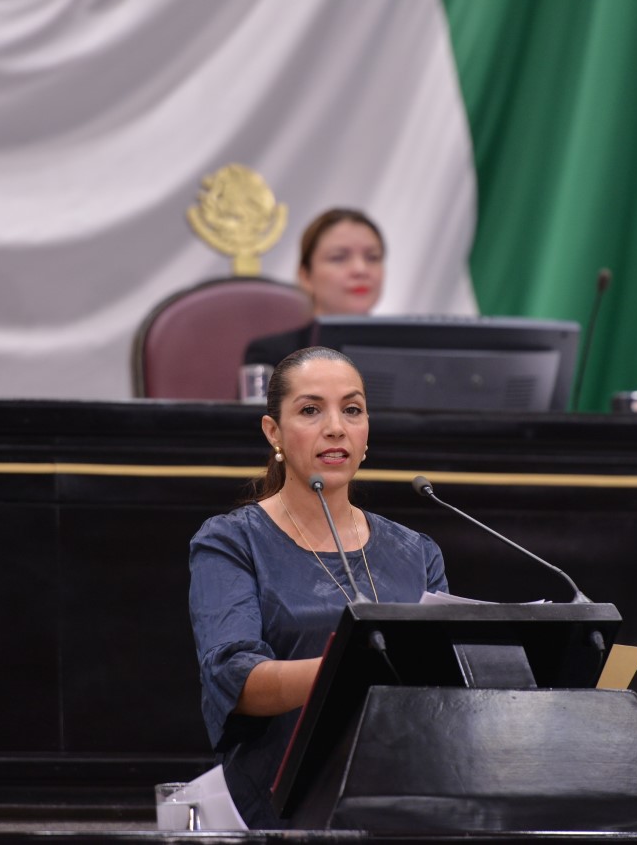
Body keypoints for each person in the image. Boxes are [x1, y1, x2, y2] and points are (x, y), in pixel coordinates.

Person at [188, 346, 448, 828]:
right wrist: (348, 666)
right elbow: (234, 678)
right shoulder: (231, 541)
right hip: (281, 811)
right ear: (273, 432)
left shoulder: (417, 552)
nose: (336, 427)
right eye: (311, 410)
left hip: (402, 807)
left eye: (352, 410)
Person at [243, 209, 385, 367]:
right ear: (305, 276)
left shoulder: (402, 347)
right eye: (338, 257)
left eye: (373, 257)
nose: (360, 269)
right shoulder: (273, 356)